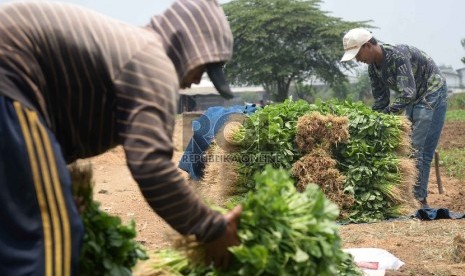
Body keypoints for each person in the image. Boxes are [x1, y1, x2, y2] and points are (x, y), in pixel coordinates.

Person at [0, 0, 242, 275]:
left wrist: (60, 187)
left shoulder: (130, 51)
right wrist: (212, 230)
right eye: (203, 68)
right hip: (9, 84)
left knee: (15, 232)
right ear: (188, 48)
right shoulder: (153, 62)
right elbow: (151, 166)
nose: (198, 80)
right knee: (49, 234)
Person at [340, 28, 448, 209]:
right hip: (414, 97)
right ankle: (411, 197)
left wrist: (386, 114)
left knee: (419, 148)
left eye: (358, 54)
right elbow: (381, 101)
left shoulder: (398, 56)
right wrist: (370, 121)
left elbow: (408, 92)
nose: (358, 60)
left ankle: (418, 201)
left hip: (431, 92)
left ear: (367, 46)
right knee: (410, 147)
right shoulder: (373, 68)